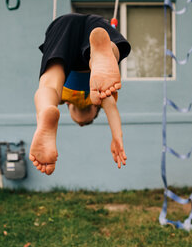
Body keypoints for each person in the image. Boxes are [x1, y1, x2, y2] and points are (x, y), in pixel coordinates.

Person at [29, 13, 131, 175]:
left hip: (66, 24)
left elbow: (111, 108)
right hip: (89, 27)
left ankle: (104, 54)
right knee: (50, 85)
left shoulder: (98, 96)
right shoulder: (85, 96)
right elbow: (110, 107)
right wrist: (42, 115)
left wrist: (117, 136)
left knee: (51, 84)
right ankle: (47, 108)